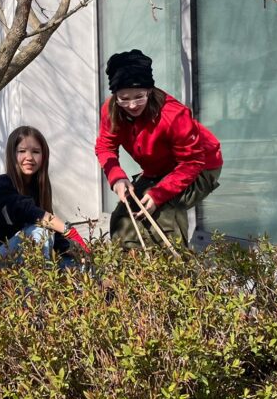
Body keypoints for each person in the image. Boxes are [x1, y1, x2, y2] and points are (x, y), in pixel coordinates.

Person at [95, 49, 223, 249]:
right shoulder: (110, 110)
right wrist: (117, 177)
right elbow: (105, 146)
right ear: (115, 95)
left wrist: (159, 194)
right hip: (159, 168)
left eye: (139, 96)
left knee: (162, 214)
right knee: (126, 213)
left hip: (200, 166)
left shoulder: (173, 115)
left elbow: (191, 162)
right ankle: (128, 269)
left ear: (149, 90)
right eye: (124, 98)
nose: (132, 105)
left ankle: (174, 270)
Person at [0, 126, 90, 269]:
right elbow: (28, 211)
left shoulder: (39, 188)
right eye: (22, 151)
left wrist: (77, 252)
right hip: (0, 260)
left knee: (78, 264)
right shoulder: (1, 184)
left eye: (35, 152)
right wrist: (68, 230)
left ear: (43, 156)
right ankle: (39, 285)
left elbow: (53, 234)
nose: (29, 157)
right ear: (12, 154)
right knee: (40, 230)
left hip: (28, 259)